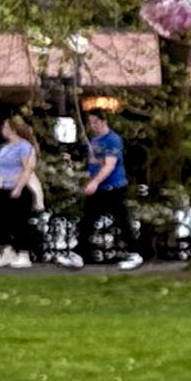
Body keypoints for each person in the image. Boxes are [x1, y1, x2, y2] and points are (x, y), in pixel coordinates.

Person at [79, 110, 144, 269]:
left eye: (95, 122)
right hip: (99, 187)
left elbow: (109, 165)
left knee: (122, 220)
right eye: (90, 122)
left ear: (103, 121)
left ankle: (134, 253)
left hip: (113, 187)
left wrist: (94, 182)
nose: (92, 125)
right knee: (87, 221)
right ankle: (80, 253)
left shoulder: (113, 140)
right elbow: (94, 165)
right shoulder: (94, 141)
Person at [0, 116, 42, 268]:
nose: (3, 130)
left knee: (20, 223)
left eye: (5, 127)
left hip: (18, 188)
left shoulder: (24, 147)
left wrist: (19, 187)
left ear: (13, 129)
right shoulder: (4, 148)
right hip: (2, 187)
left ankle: (24, 254)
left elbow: (28, 168)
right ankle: (7, 250)